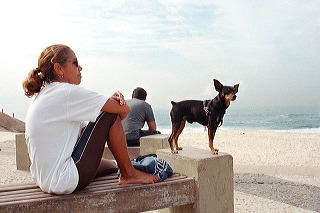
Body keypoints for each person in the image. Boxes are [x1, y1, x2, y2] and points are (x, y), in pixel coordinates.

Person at [22, 44, 159, 195]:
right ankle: (129, 174)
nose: (80, 68)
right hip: (63, 180)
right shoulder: (66, 92)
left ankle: (126, 167)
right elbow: (121, 112)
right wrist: (116, 104)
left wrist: (111, 109)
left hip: (45, 178)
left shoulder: (45, 94)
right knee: (108, 114)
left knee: (112, 166)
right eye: (75, 63)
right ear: (59, 69)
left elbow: (91, 132)